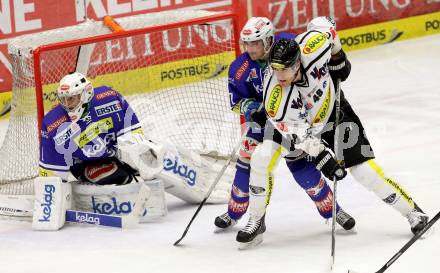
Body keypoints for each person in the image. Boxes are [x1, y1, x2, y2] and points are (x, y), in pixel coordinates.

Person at [237, 16, 429, 246]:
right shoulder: (275, 98)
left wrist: (338, 57)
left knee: (363, 172)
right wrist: (323, 158)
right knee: (260, 157)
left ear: (298, 62)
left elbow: (325, 24)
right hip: (297, 127)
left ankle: (412, 212)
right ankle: (256, 219)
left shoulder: (312, 46)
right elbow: (299, 136)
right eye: (275, 69)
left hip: (334, 114)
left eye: (284, 69)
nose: (280, 76)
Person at [215, 17, 355, 241]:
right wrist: (253, 107)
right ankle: (236, 213)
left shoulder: (289, 45)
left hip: (295, 120)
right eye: (247, 44)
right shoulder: (239, 69)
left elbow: (313, 66)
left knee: (302, 166)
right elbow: (236, 102)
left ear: (269, 40)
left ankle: (333, 211)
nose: (250, 49)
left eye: (256, 43)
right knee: (247, 163)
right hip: (263, 124)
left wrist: (334, 67)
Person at [35, 72, 232, 229]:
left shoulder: (108, 98)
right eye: (64, 99)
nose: (67, 104)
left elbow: (134, 134)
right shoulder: (53, 123)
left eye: (72, 98)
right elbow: (53, 172)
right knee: (107, 171)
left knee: (151, 154)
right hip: (88, 165)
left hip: (118, 151)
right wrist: (52, 198)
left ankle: (201, 180)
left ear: (86, 94)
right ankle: (131, 183)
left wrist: (138, 158)